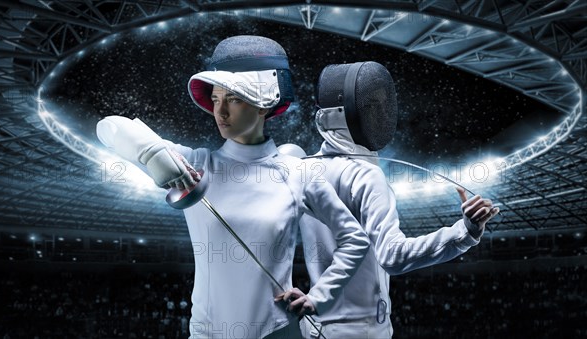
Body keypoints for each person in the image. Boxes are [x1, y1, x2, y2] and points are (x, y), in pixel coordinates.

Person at [95, 36, 370, 339]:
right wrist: (152, 154)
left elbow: (355, 240)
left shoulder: (299, 174)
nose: (220, 112)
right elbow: (109, 127)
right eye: (216, 99)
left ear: (265, 106)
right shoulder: (194, 164)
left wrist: (319, 296)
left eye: (235, 99)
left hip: (277, 332)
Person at [279, 61, 499, 338]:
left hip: (316, 328)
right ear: (346, 114)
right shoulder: (365, 175)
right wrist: (464, 232)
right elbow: (393, 257)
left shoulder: (303, 169)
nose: (382, 114)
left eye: (384, 105)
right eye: (372, 106)